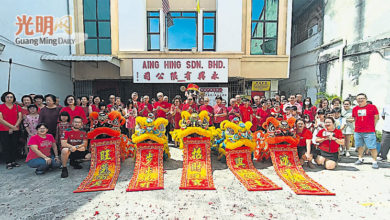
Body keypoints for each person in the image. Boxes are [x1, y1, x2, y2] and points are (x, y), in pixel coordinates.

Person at [353, 93, 380, 169]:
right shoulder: (355, 109)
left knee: (372, 147)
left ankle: (374, 161)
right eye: (358, 99)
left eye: (362, 98)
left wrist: (372, 126)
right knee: (359, 146)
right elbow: (355, 119)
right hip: (358, 131)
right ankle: (360, 158)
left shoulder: (372, 107)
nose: (360, 100)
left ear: (366, 99)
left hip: (369, 131)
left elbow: (376, 118)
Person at [0, 92, 23, 169]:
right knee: (6, 145)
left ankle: (13, 161)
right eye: (7, 97)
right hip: (3, 129)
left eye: (11, 97)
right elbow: (1, 119)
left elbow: (20, 117)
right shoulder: (1, 106)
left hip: (16, 128)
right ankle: (8, 162)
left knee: (14, 145)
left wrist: (14, 127)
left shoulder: (17, 107)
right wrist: (10, 127)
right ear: (4, 98)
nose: (9, 99)